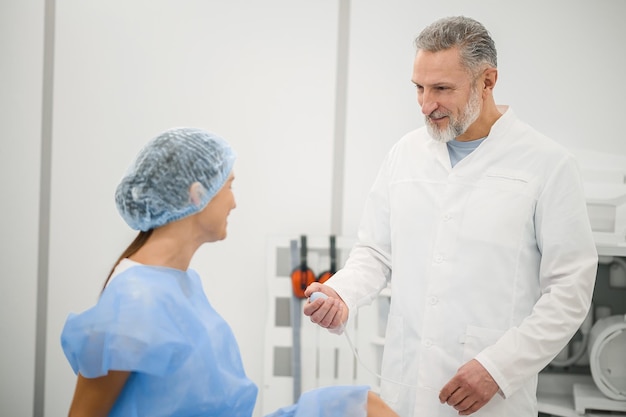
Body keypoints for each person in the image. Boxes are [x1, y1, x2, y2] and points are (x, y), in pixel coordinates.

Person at [303, 16, 598, 417]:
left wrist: (498, 368)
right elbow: (375, 252)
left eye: (442, 89)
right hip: (404, 387)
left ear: (487, 81)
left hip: (490, 397)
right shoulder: (405, 154)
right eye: (419, 88)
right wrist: (343, 292)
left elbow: (569, 290)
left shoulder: (547, 165)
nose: (426, 104)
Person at [60, 127, 399, 417]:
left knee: (362, 406)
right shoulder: (134, 300)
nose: (234, 203)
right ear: (197, 194)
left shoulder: (182, 283)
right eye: (229, 186)